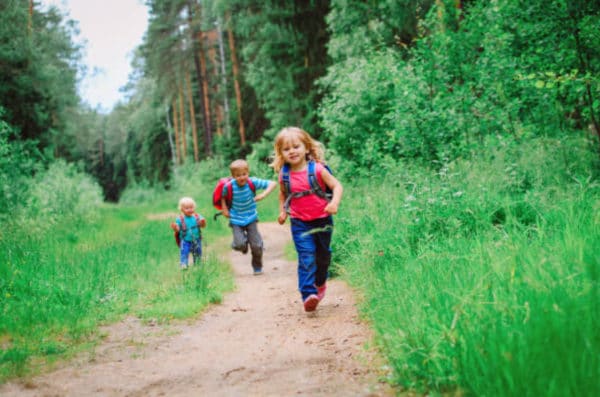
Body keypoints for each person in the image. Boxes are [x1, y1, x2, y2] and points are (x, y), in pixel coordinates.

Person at [271, 126, 343, 312]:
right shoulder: (284, 175)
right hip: (299, 222)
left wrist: (334, 203)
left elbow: (337, 186)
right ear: (281, 153)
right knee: (306, 255)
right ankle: (308, 294)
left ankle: (320, 284)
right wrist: (283, 211)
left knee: (323, 256)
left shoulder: (318, 170)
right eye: (286, 149)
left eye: (296, 146)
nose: (292, 151)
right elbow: (282, 194)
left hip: (323, 219)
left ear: (306, 147)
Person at [220, 159, 277, 275]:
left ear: (248, 173)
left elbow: (273, 183)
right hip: (236, 219)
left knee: (256, 245)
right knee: (239, 244)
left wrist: (263, 194)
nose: (242, 178)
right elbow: (222, 196)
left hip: (251, 218)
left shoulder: (252, 182)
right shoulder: (229, 186)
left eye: (244, 174)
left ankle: (257, 267)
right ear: (232, 176)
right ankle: (240, 245)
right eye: (238, 175)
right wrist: (225, 209)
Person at [171, 197, 206, 270]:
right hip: (185, 240)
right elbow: (177, 229)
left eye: (191, 207)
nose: (190, 209)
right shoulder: (180, 219)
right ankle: (184, 264)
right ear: (182, 209)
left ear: (194, 207)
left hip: (196, 239)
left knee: (198, 252)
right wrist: (175, 227)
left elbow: (203, 226)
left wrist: (202, 222)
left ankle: (198, 264)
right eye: (187, 208)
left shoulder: (197, 216)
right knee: (184, 252)